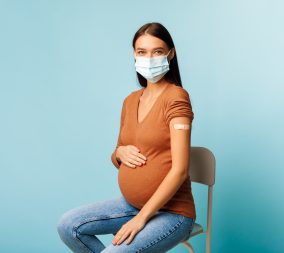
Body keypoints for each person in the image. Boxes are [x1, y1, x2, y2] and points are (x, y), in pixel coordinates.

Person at [57, 22, 196, 253]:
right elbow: (120, 150)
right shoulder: (130, 101)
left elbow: (180, 170)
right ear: (134, 54)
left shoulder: (176, 98)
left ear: (170, 54)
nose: (149, 58)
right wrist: (118, 153)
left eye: (157, 51)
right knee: (68, 226)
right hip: (131, 205)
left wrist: (141, 218)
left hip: (173, 213)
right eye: (142, 52)